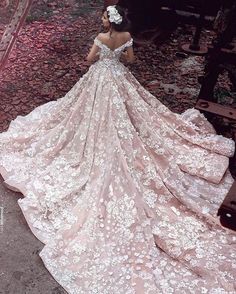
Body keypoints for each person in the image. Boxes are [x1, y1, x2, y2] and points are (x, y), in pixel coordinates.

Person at [0, 4, 236, 294]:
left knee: (85, 115)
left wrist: (101, 60)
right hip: (118, 79)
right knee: (128, 114)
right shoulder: (126, 37)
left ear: (107, 22)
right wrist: (117, 59)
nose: (100, 18)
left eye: (102, 16)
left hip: (99, 79)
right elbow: (131, 60)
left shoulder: (100, 39)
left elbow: (90, 61)